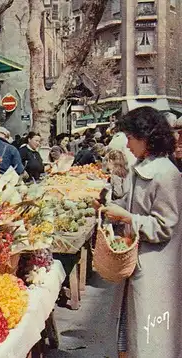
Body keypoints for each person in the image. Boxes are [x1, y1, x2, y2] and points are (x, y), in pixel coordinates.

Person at [98, 106, 182, 357]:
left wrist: (127, 217)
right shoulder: (143, 166)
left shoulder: (167, 175)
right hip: (138, 266)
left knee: (150, 341)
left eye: (131, 138)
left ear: (147, 137)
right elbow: (132, 204)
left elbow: (165, 226)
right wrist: (108, 207)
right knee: (129, 338)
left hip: (156, 270)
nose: (128, 144)